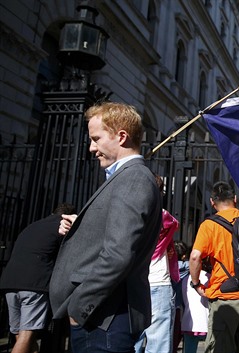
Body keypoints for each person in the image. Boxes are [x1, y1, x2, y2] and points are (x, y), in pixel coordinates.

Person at [49, 102, 162, 353]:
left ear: (121, 136)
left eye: (96, 139)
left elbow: (118, 254)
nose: (91, 148)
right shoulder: (127, 178)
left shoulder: (133, 177)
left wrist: (81, 306)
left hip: (104, 318)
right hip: (103, 317)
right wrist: (82, 226)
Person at [189, 181, 239, 353]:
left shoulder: (209, 225)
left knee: (221, 347)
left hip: (224, 295)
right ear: (235, 199)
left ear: (212, 202)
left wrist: (196, 284)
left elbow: (195, 256)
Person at [0, 203, 75, 353]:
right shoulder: (62, 227)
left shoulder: (33, 226)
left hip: (9, 283)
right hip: (34, 285)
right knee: (27, 336)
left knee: (19, 334)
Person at [135, 174, 179, 353]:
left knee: (131, 340)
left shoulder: (127, 215)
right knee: (159, 343)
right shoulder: (163, 217)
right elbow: (172, 223)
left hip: (132, 281)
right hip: (158, 282)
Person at [181, 251, 210, 353]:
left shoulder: (185, 279)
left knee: (189, 350)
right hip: (206, 321)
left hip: (189, 321)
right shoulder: (209, 277)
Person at [172, 241, 189, 352]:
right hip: (179, 304)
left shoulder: (169, 265)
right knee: (176, 332)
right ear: (183, 255)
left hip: (168, 301)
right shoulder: (186, 267)